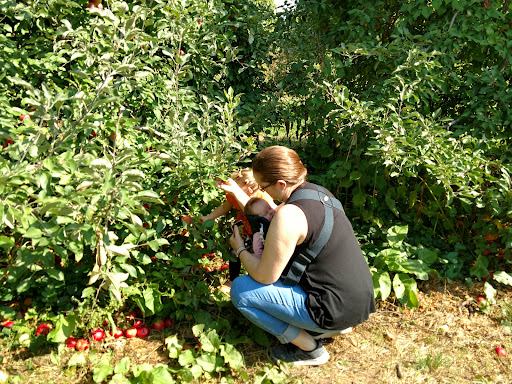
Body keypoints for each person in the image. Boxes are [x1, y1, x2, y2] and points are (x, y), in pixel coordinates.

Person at [221, 146, 375, 366]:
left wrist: (240, 249)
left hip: (331, 310)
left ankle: (309, 348)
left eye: (263, 187)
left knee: (241, 290)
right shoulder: (319, 193)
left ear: (281, 184)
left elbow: (265, 277)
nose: (261, 193)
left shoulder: (288, 215)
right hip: (357, 303)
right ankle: (329, 328)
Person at [201, 169, 275, 280]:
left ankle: (255, 279)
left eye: (254, 189)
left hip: (259, 233)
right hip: (242, 230)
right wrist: (208, 218)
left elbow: (274, 210)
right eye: (248, 189)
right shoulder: (232, 196)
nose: (251, 192)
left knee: (257, 255)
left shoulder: (262, 197)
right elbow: (224, 208)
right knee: (234, 254)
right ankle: (233, 279)